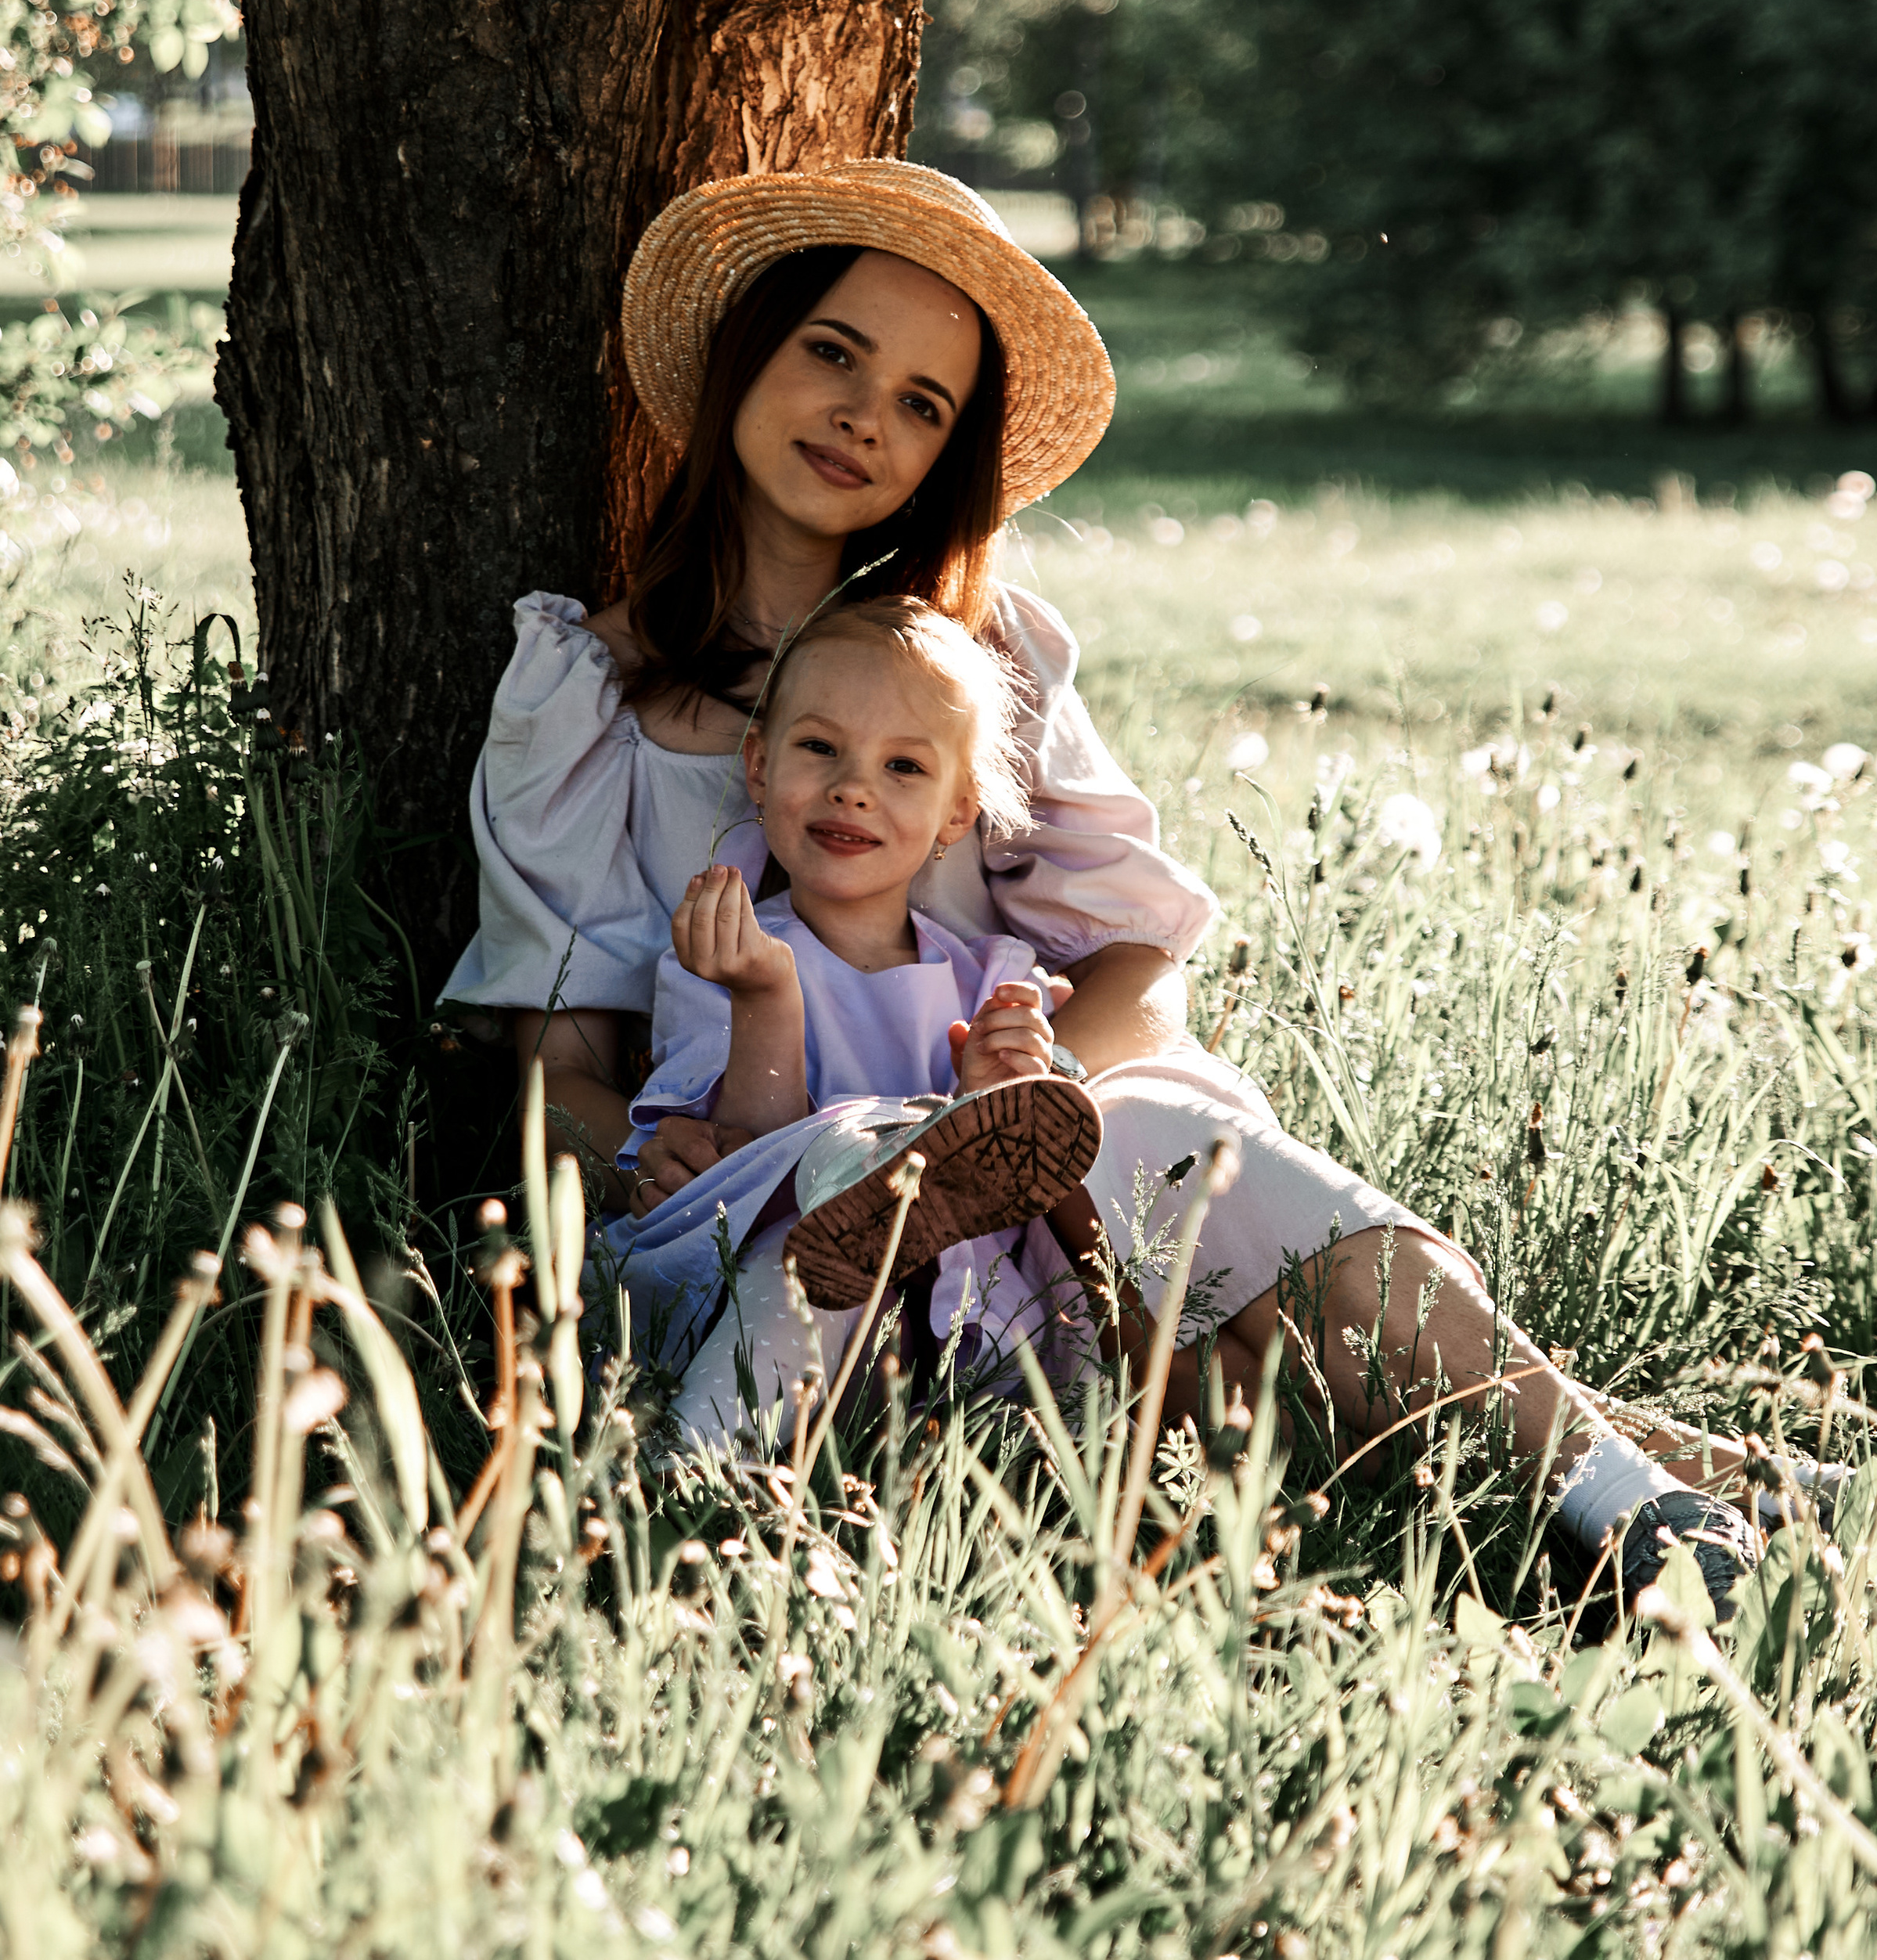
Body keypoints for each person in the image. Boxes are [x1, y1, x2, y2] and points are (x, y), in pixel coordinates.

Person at [442, 160, 1764, 1612]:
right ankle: (686, 1550)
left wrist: (1044, 1095)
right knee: (878, 1184)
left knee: (1206, 1155)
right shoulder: (584, 697)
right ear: (749, 351)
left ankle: (1647, 1504)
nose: (862, 415)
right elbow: (554, 1066)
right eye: (833, 352)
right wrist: (632, 1157)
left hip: (1042, 1190)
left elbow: (1134, 963)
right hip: (771, 1211)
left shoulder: (980, 666)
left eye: (923, 403)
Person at [597, 596, 1106, 1443]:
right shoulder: (720, 962)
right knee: (803, 1246)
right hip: (781, 1307)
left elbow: (1017, 1204)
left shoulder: (992, 982)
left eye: (903, 767)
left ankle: (906, 1177)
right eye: (820, 748)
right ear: (759, 765)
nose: (852, 787)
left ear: (957, 809)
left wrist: (996, 1090)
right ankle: (700, 1469)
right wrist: (768, 996)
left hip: (944, 1329)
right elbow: (741, 1181)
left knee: (985, 1232)